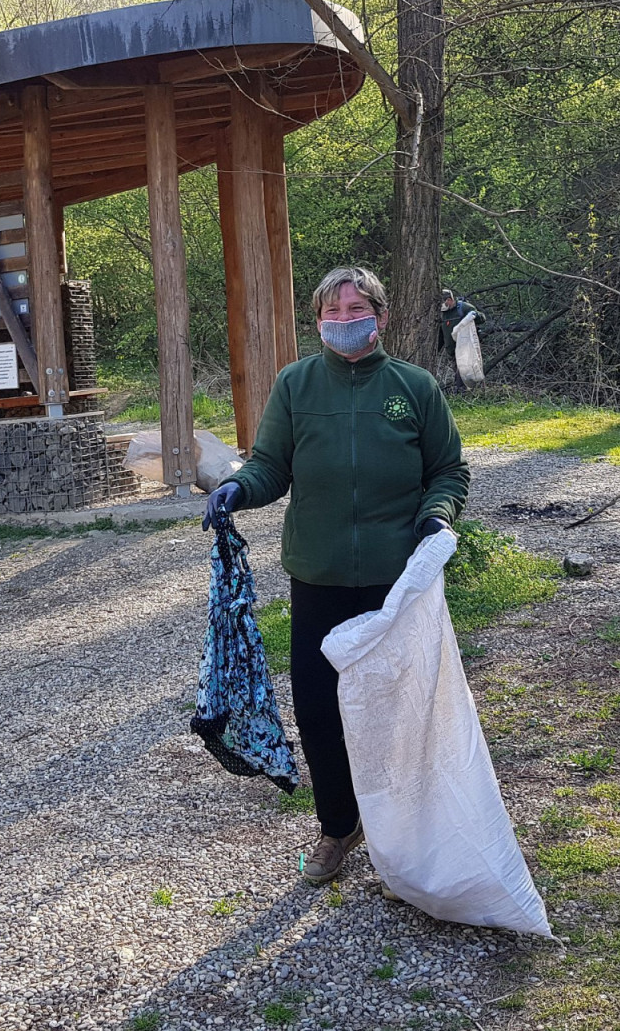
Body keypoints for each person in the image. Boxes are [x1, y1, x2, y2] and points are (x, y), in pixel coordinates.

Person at [204, 267, 470, 885]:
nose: (345, 320)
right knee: (320, 707)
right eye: (333, 311)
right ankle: (337, 827)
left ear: (380, 315)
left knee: (397, 707)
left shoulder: (415, 386)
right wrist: (237, 488)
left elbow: (449, 472)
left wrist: (435, 516)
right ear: (318, 320)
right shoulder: (296, 385)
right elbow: (271, 466)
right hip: (318, 576)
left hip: (395, 581)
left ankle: (406, 827)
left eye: (357, 309)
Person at [438, 290, 484, 390]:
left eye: (443, 303)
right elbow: (441, 334)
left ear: (449, 300)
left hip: (466, 349)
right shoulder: (442, 314)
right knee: (458, 373)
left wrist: (474, 316)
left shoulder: (464, 308)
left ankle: (463, 394)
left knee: (465, 374)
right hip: (452, 350)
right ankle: (464, 393)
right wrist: (437, 349)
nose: (442, 307)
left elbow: (482, 318)